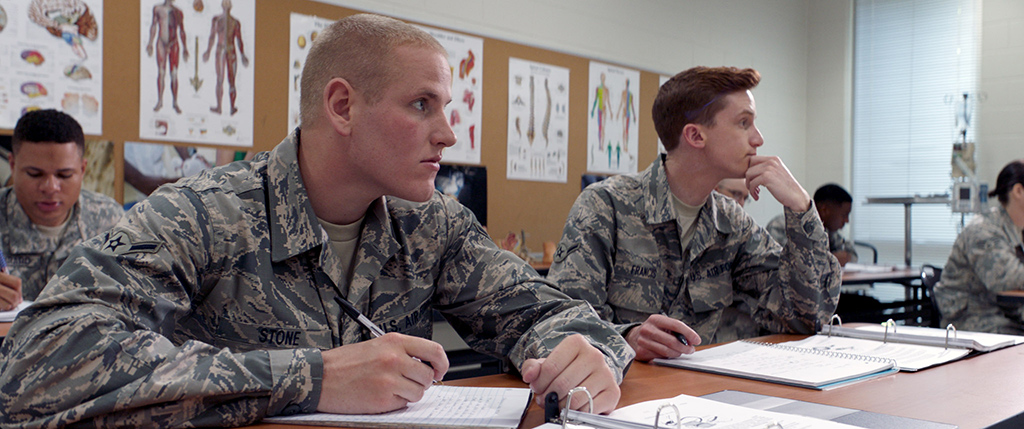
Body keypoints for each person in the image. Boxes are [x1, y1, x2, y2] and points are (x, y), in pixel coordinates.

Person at [0, 14, 633, 427]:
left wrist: (582, 358)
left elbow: (555, 315)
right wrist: (314, 376)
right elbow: (35, 362)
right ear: (342, 106)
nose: (448, 133)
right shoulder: (206, 212)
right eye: (422, 104)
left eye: (446, 107)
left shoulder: (430, 224)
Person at [547, 66, 841, 362]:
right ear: (695, 136)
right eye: (744, 123)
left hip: (702, 386)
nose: (758, 138)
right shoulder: (606, 206)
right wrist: (627, 337)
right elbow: (560, 323)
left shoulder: (731, 223)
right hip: (620, 385)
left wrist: (802, 208)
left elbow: (805, 318)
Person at [0, 109, 122, 310]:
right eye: (35, 174)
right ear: (12, 166)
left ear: (82, 169)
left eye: (64, 175)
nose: (50, 187)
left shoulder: (110, 221)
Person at [935, 160, 1024, 334]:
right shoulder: (983, 230)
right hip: (972, 318)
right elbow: (1007, 277)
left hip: (1004, 314)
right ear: (1018, 191)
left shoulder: (1017, 229)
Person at [767, 183, 858, 266]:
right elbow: (778, 261)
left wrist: (842, 257)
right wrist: (827, 260)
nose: (847, 221)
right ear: (825, 210)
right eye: (844, 215)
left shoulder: (828, 231)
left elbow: (852, 255)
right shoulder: (781, 225)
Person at [202, 0, 249, 115]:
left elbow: (239, 40)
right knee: (219, 79)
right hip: (220, 51)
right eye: (225, 3)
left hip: (231, 52)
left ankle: (232, 107)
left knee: (232, 80)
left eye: (228, 3)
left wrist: (242, 54)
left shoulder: (235, 22)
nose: (226, 6)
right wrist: (208, 51)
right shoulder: (216, 20)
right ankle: (219, 107)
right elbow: (212, 37)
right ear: (222, 5)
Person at [146, 0, 189, 114]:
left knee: (174, 74)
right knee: (161, 72)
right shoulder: (157, 9)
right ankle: (160, 101)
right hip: (161, 43)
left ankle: (175, 102)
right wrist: (150, 43)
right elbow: (153, 26)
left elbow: (182, 31)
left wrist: (185, 48)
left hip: (173, 44)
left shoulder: (178, 12)